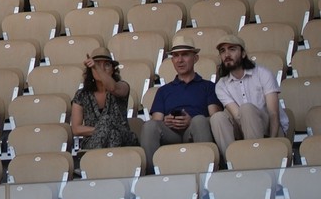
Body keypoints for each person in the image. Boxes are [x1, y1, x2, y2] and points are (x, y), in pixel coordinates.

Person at [138, 33, 220, 169]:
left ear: (195, 58)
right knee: (149, 126)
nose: (180, 60)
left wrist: (191, 120)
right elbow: (156, 121)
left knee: (199, 120)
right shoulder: (163, 90)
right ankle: (152, 174)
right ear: (172, 61)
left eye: (185, 54)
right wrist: (167, 121)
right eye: (176, 56)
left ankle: (205, 170)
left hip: (196, 128)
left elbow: (214, 118)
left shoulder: (208, 86)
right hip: (171, 132)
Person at [209, 32, 287, 160]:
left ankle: (256, 159)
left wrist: (273, 141)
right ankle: (232, 162)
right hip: (243, 127)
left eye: (232, 49)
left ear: (243, 53)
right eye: (222, 51)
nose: (227, 55)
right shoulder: (221, 85)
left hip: (271, 129)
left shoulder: (263, 73)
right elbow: (238, 117)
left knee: (247, 108)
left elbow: (274, 114)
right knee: (217, 117)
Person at [69, 48, 137, 150]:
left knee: (113, 130)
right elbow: (76, 129)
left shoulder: (123, 86)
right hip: (94, 139)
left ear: (113, 69)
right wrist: (103, 130)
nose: (102, 68)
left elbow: (112, 88)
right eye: (97, 65)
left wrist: (97, 67)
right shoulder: (81, 95)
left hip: (123, 137)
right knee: (110, 130)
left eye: (106, 65)